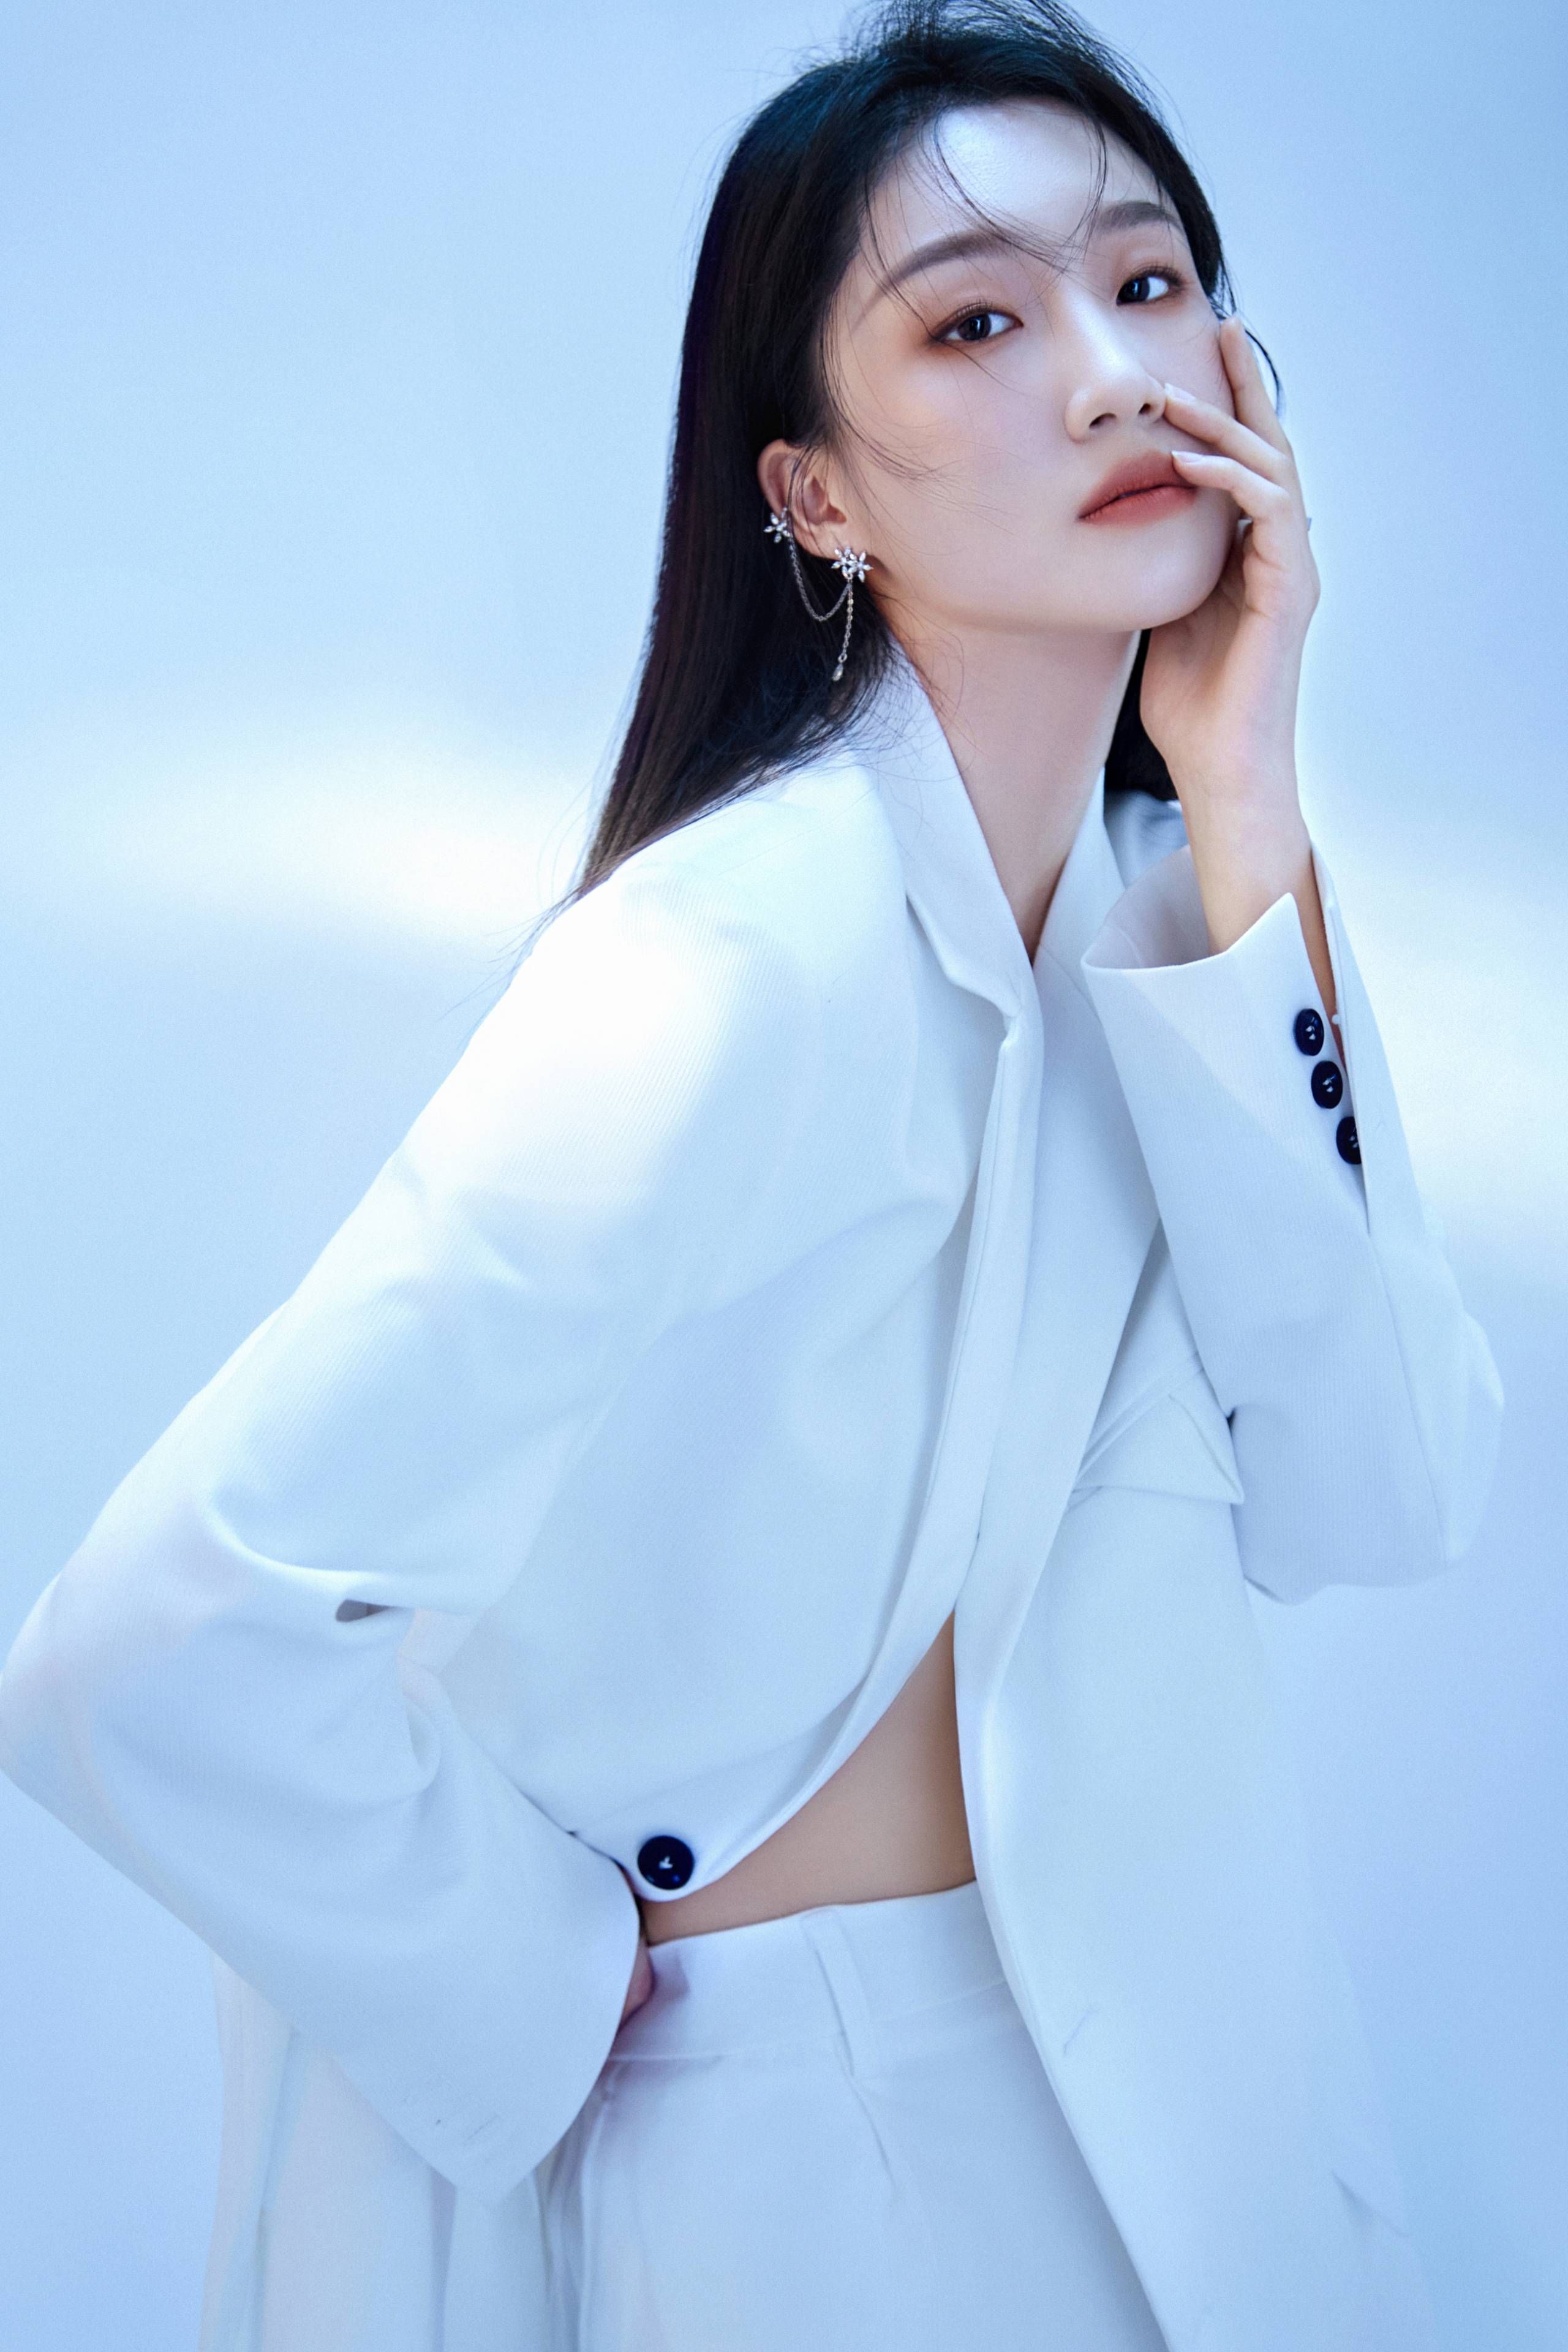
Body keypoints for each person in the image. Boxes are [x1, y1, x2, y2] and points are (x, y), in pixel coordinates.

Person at [0, 5, 1502, 2348]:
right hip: (802, 2174)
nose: (1116, 376)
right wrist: (526, 1987)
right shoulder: (730, 963)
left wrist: (1248, 798)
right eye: (979, 324)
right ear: (813, 497)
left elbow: (1375, 1497)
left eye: (1150, 282)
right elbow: (156, 1644)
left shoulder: (1179, 913)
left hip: (1180, 2136)